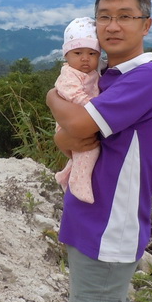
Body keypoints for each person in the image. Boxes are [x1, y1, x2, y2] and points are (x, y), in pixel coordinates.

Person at [46, 0, 152, 302]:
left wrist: (52, 97)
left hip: (109, 231)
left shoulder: (147, 78)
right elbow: (70, 138)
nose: (113, 25)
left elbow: (77, 126)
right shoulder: (108, 77)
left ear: (146, 24)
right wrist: (66, 133)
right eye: (104, 17)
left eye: (125, 16)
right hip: (90, 224)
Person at [53, 17, 102, 204]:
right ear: (67, 55)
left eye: (92, 53)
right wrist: (94, 105)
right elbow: (74, 95)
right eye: (78, 53)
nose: (85, 58)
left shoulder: (91, 72)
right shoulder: (69, 74)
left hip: (81, 120)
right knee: (89, 149)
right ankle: (78, 181)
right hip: (69, 122)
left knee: (83, 152)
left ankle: (65, 175)